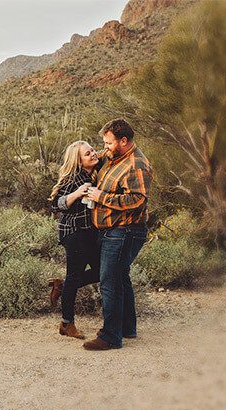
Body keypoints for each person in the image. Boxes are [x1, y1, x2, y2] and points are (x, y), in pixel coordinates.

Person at [81, 120, 153, 351]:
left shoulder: (137, 164)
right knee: (121, 277)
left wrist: (101, 197)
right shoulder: (114, 156)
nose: (105, 147)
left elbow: (137, 200)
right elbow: (95, 158)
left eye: (108, 142)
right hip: (112, 229)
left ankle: (110, 336)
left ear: (124, 141)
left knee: (109, 281)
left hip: (125, 230)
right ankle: (127, 327)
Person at [45, 140, 101, 340]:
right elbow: (57, 204)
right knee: (75, 276)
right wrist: (77, 194)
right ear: (78, 160)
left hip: (90, 232)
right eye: (88, 153)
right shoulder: (72, 178)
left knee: (101, 271)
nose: (93, 154)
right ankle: (67, 323)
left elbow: (104, 154)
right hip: (74, 233)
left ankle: (61, 286)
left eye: (93, 150)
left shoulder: (92, 173)